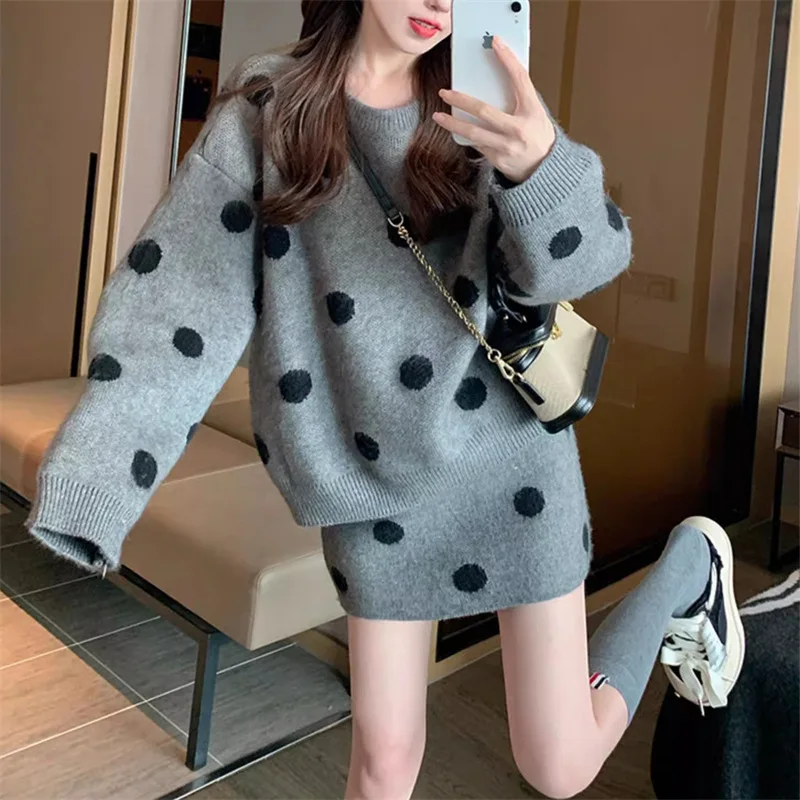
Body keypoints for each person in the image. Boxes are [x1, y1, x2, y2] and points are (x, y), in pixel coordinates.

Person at [25, 1, 745, 797]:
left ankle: (689, 565)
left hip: (510, 464)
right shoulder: (267, 113)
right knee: (382, 762)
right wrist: (95, 479)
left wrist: (538, 167)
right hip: (369, 484)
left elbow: (585, 263)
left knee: (560, 766)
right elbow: (181, 307)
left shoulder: (480, 98)